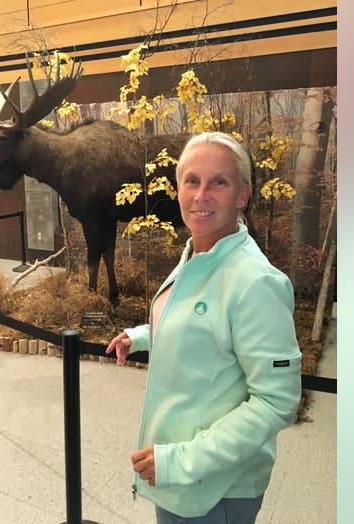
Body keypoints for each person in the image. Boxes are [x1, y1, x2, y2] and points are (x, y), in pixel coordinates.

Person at [105, 131, 302, 523]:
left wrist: (181, 461)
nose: (201, 195)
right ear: (177, 188)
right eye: (192, 180)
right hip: (180, 477)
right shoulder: (201, 251)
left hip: (214, 489)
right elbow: (204, 322)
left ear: (242, 194)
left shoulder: (255, 281)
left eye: (219, 182)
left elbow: (277, 402)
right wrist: (143, 335)